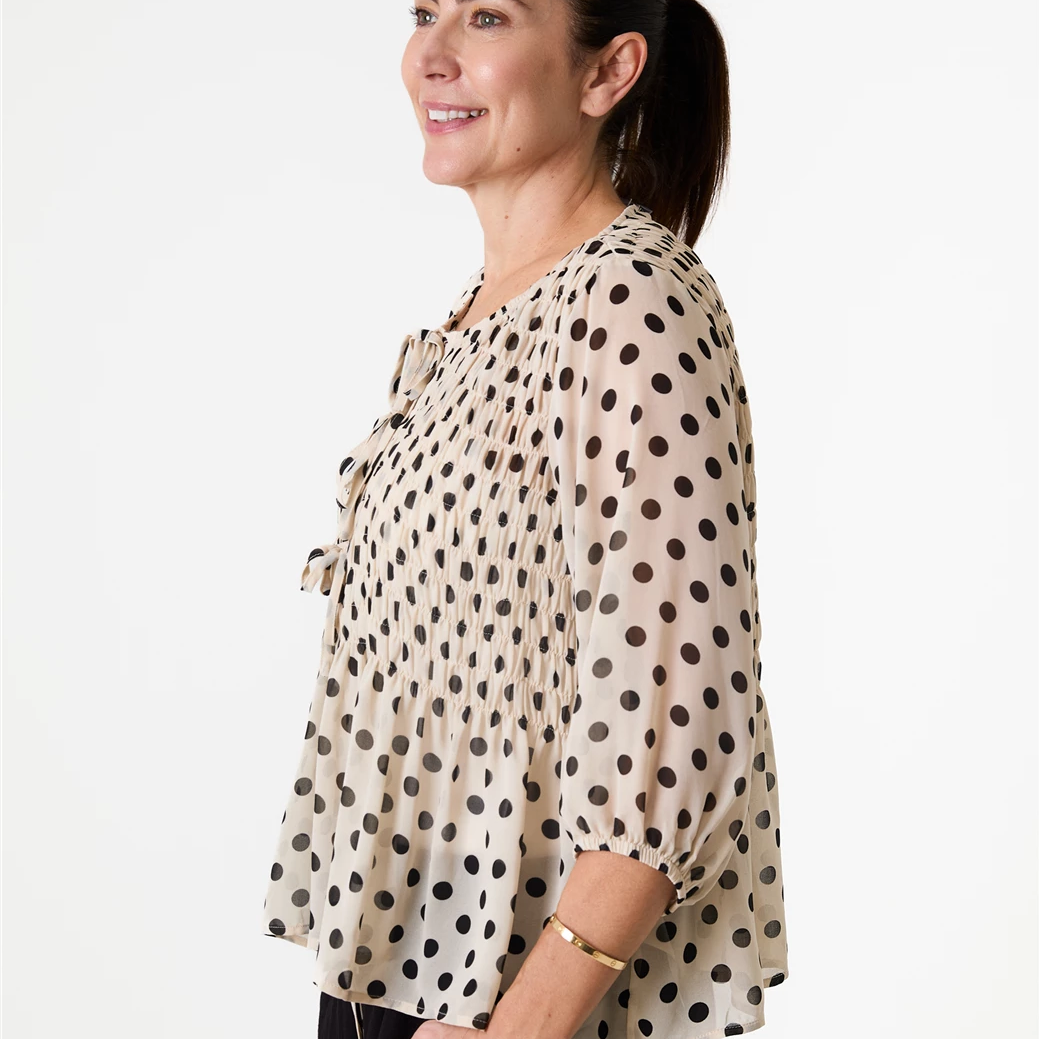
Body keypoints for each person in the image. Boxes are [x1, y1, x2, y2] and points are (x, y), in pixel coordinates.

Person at [261, 1, 790, 1038]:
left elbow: (678, 717)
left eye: (488, 16)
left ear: (607, 73)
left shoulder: (630, 305)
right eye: (425, 11)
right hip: (415, 948)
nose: (431, 53)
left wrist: (526, 1019)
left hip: (519, 984)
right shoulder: (491, 306)